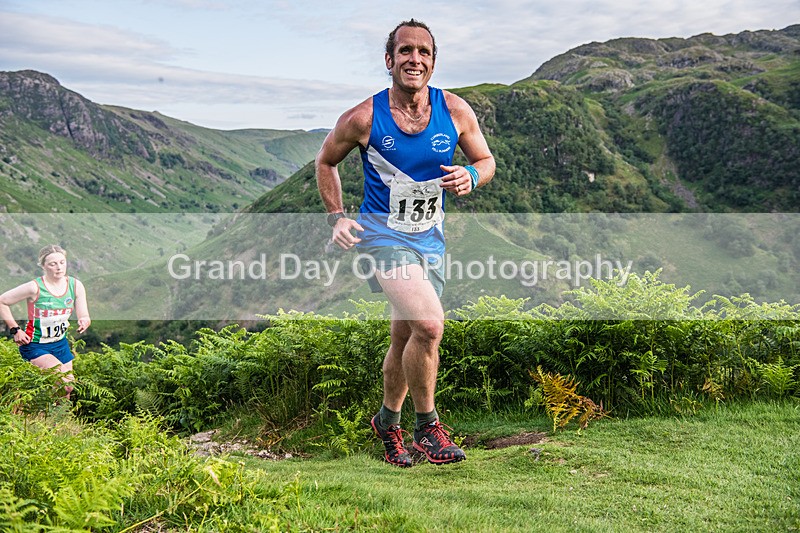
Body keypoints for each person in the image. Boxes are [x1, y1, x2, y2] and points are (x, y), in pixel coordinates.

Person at [315, 19, 495, 466]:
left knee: (405, 336)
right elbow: (325, 162)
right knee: (431, 326)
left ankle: (386, 423)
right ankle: (426, 428)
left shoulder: (454, 111)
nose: (415, 59)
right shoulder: (362, 118)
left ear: (433, 62)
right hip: (380, 238)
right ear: (389, 59)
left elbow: (486, 160)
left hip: (430, 240)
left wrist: (471, 175)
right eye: (406, 51)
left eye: (424, 52)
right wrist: (337, 218)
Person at [0, 245, 91, 400]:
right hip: (35, 344)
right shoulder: (34, 287)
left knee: (64, 391)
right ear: (43, 266)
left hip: (60, 343)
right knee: (67, 385)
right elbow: (2, 301)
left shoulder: (75, 286)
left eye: (62, 262)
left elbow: (84, 313)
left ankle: (59, 422)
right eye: (52, 264)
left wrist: (84, 320)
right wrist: (15, 330)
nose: (59, 267)